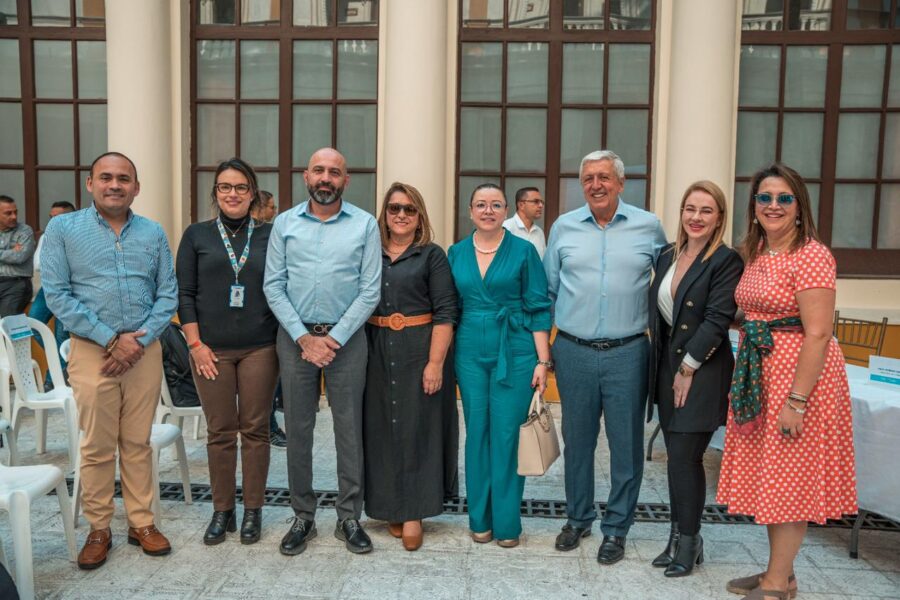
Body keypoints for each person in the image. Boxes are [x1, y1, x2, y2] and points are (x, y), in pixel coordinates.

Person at [717, 163, 857, 600]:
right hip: (763, 372)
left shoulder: (811, 254)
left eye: (784, 198)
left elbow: (817, 331)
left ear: (800, 206)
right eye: (764, 198)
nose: (773, 206)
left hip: (799, 377)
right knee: (774, 477)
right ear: (753, 205)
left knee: (790, 478)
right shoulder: (757, 251)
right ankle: (781, 573)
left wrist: (797, 400)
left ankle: (778, 584)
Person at [41, 152, 178, 569]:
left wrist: (137, 341)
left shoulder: (153, 233)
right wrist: (109, 339)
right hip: (91, 351)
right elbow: (56, 294)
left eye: (123, 178)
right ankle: (99, 528)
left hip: (144, 349)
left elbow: (167, 292)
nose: (114, 185)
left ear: (136, 187)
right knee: (97, 446)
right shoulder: (63, 229)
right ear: (90, 184)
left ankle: (142, 523)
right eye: (106, 178)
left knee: (138, 442)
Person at [545, 150, 666, 564]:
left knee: (626, 446)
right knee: (577, 443)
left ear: (619, 182)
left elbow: (669, 287)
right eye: (588, 179)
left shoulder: (649, 227)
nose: (596, 185)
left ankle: (616, 528)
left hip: (628, 352)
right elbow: (547, 292)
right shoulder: (563, 227)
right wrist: (544, 354)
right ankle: (578, 518)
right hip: (573, 350)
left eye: (603, 177)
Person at [264, 147, 381, 556]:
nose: (326, 178)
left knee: (349, 430)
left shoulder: (365, 224)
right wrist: (304, 338)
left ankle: (349, 516)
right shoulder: (284, 224)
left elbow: (371, 290)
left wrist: (333, 339)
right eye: (319, 171)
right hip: (295, 340)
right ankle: (303, 515)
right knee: (298, 429)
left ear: (346, 180)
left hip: (347, 343)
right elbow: (272, 285)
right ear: (305, 177)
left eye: (334, 171)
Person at [176, 158, 279, 546]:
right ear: (215, 192)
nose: (232, 194)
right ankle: (223, 511)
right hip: (209, 349)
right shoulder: (196, 235)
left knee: (255, 430)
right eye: (224, 187)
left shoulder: (272, 234)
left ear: (252, 193)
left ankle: (253, 510)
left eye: (240, 187)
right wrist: (195, 344)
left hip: (260, 348)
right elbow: (184, 295)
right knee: (220, 432)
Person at [647, 181, 743, 577]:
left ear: (719, 216)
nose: (696, 217)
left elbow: (718, 320)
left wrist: (688, 368)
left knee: (686, 458)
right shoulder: (668, 253)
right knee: (675, 461)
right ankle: (676, 537)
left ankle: (690, 540)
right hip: (667, 367)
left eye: (706, 210)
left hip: (701, 371)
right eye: (690, 208)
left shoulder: (725, 260)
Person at [448, 183, 552, 548]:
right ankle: (479, 518)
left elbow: (539, 306)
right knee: (477, 432)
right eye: (480, 204)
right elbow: (450, 309)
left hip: (517, 350)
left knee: (507, 436)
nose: (487, 210)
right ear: (470, 210)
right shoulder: (456, 252)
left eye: (495, 205)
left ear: (506, 209)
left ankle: (507, 523)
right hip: (470, 350)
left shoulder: (523, 251)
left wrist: (543, 361)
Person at [363, 182, 459, 551]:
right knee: (382, 428)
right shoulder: (369, 252)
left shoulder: (431, 256)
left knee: (419, 429)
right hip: (375, 349)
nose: (400, 215)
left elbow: (446, 311)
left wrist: (435, 362)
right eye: (394, 209)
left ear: (419, 216)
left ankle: (415, 512)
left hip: (420, 351)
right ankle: (389, 505)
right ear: (384, 215)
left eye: (409, 209)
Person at [251, 189, 287, 448]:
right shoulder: (251, 239)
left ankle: (270, 424)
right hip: (256, 319)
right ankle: (269, 427)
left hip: (276, 317)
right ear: (259, 208)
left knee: (273, 379)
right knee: (267, 384)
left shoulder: (272, 234)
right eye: (271, 207)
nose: (274, 212)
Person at [29, 201, 77, 387]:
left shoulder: (80, 236)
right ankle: (61, 364)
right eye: (50, 218)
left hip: (71, 290)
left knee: (61, 334)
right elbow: (37, 264)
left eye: (56, 218)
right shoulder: (46, 236)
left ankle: (52, 381)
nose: (51, 222)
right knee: (33, 324)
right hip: (48, 287)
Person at [0, 195, 35, 316]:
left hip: (15, 283)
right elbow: (13, 255)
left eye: (15, 212)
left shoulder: (24, 231)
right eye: (8, 213)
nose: (14, 216)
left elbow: (19, 256)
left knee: (8, 323)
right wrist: (10, 251)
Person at [502, 187, 546, 258]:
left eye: (542, 202)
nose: (541, 205)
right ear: (521, 205)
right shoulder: (506, 228)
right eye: (536, 201)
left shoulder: (539, 232)